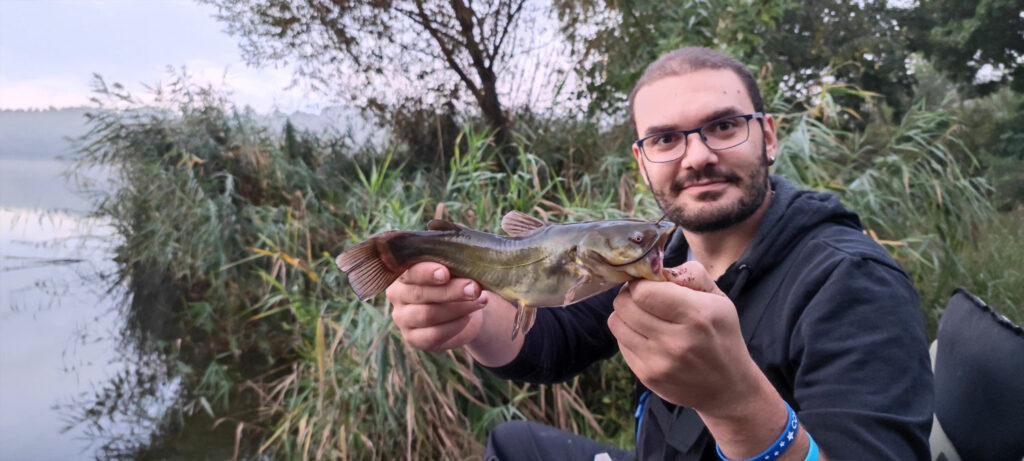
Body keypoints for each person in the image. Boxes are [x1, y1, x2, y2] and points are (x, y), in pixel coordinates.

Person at [385, 47, 933, 461]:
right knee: (512, 443)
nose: (695, 156)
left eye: (722, 126)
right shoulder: (657, 254)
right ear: (643, 162)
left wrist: (737, 403)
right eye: (665, 139)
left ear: (767, 136)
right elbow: (554, 343)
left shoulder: (854, 282)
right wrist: (470, 314)